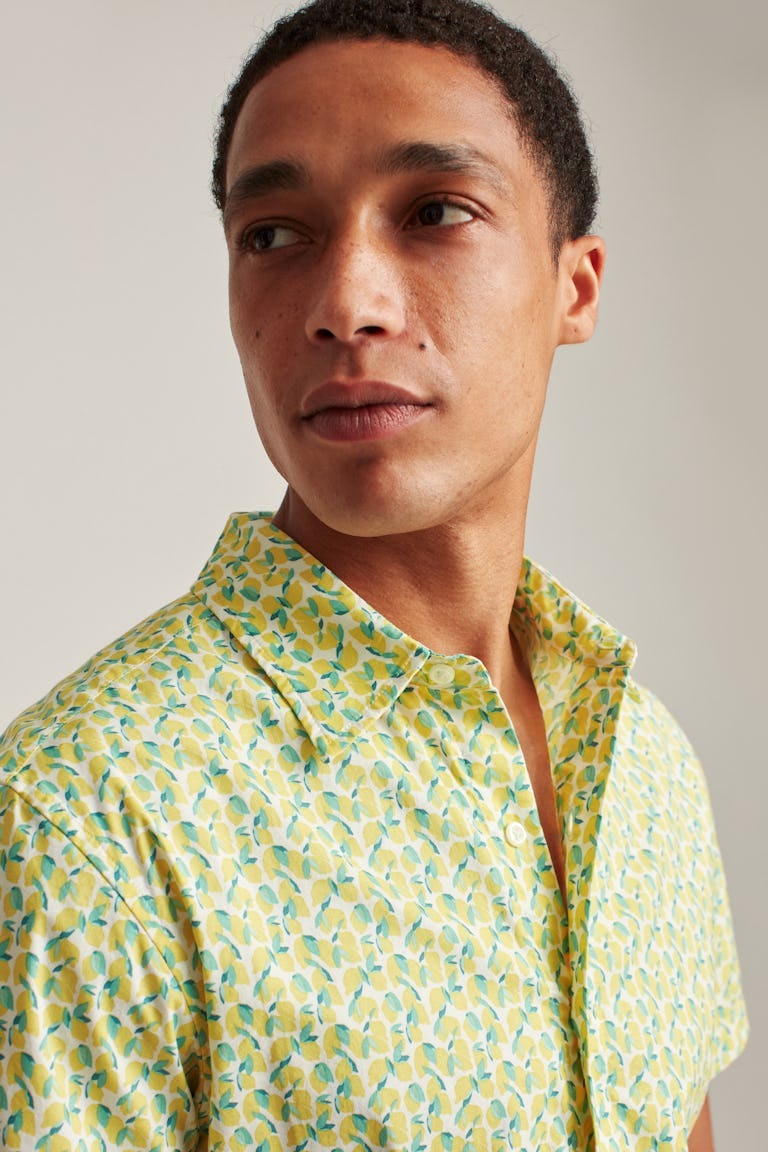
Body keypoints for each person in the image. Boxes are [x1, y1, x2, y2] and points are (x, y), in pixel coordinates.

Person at [0, 0, 748, 1148]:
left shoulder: (644, 764)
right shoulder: (82, 819)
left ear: (577, 287)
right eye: (274, 235)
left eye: (437, 212)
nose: (347, 305)